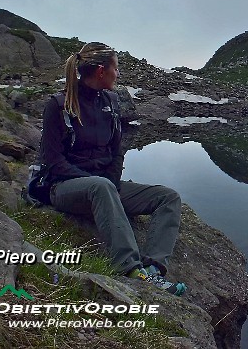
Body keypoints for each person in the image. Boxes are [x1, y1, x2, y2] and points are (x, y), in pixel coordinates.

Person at [32, 42, 186, 295]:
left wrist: (112, 183)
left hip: (104, 186)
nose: (119, 74)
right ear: (101, 71)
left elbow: (117, 151)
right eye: (116, 68)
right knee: (100, 186)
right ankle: (131, 270)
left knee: (168, 197)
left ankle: (154, 269)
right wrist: (96, 181)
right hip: (63, 188)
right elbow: (53, 162)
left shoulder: (112, 102)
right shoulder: (58, 105)